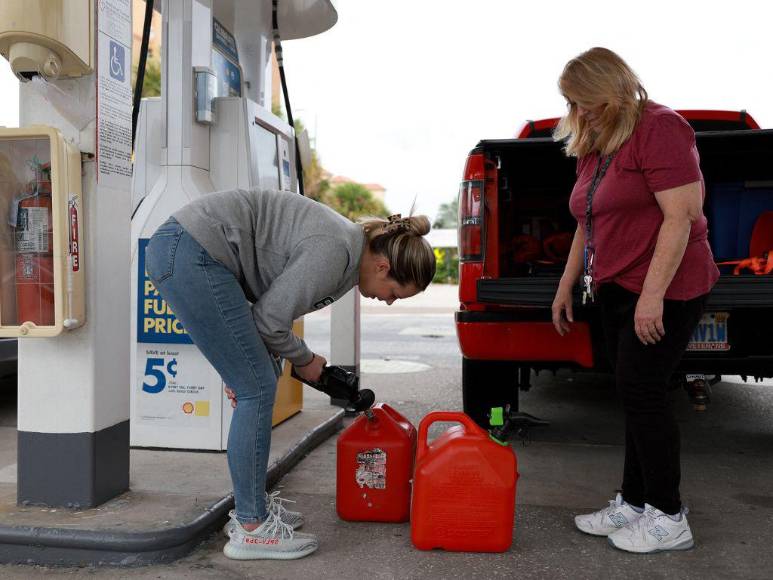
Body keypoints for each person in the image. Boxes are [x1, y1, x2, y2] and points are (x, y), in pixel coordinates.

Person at [145, 188, 435, 560]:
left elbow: (267, 310)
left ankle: (253, 511)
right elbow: (270, 321)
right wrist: (304, 359)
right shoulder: (336, 252)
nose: (389, 300)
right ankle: (252, 528)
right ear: (383, 267)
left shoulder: (347, 257)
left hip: (191, 250)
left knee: (255, 383)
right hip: (192, 252)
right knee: (257, 389)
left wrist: (265, 363)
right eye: (395, 292)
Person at [550, 47, 718, 554]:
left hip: (668, 284)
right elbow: (587, 220)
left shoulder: (661, 128)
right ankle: (636, 502)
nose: (579, 113)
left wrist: (653, 298)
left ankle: (669, 516)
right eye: (573, 104)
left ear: (613, 89)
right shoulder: (596, 141)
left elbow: (681, 216)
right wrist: (565, 284)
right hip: (616, 285)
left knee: (643, 390)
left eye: (586, 102)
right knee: (632, 391)